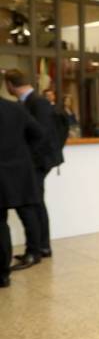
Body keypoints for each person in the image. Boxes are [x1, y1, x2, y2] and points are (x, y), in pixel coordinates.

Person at [4, 69, 63, 269]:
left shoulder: (38, 102)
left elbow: (42, 136)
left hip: (38, 162)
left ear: (9, 85)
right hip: (32, 163)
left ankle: (38, 249)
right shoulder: (27, 103)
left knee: (33, 204)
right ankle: (41, 247)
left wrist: (28, 161)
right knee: (35, 203)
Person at [0, 95, 44, 286]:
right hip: (19, 171)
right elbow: (38, 133)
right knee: (28, 213)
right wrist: (24, 154)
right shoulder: (15, 108)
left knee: (0, 224)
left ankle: (2, 273)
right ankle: (35, 251)